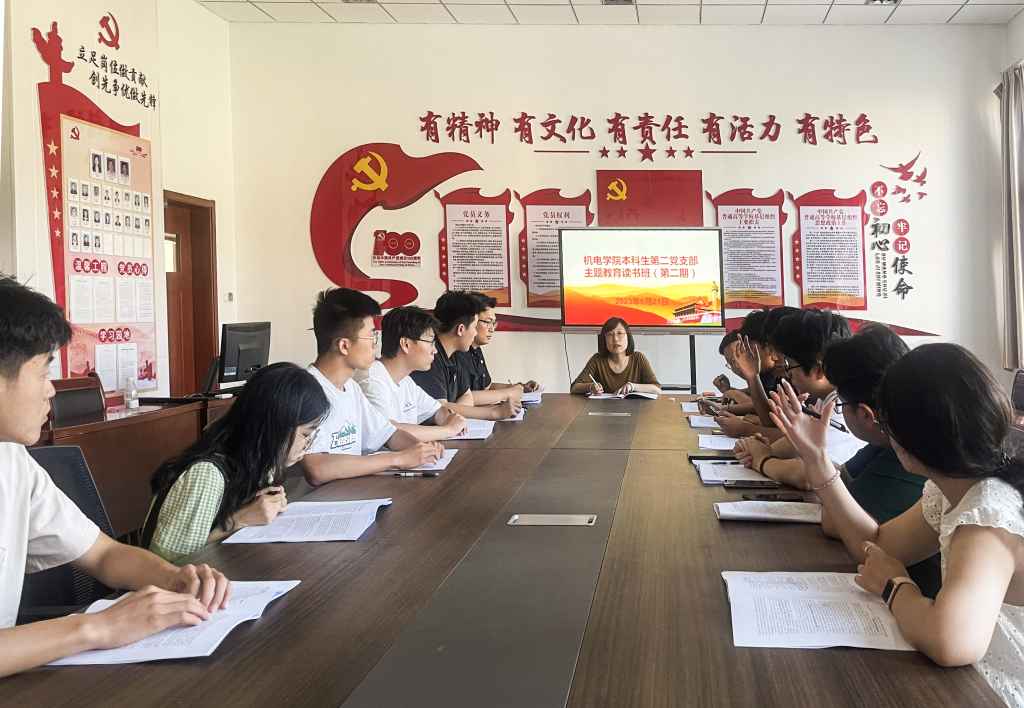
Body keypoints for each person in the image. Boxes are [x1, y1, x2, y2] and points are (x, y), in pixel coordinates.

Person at [0, 275, 230, 677]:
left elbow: (104, 554)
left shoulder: (12, 460)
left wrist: (175, 579)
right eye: (42, 371)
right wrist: (98, 627)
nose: (51, 391)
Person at [769, 344, 1024, 703]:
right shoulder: (953, 487)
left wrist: (894, 586)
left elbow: (951, 642)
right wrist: (817, 460)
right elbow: (878, 543)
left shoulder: (986, 513)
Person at [142, 363, 328, 561]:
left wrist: (263, 508)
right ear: (275, 427)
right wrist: (239, 520)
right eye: (306, 434)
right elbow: (172, 563)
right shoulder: (206, 475)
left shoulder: (259, 463)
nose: (308, 444)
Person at [817, 325, 941, 597]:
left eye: (840, 403)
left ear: (865, 414)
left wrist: (815, 459)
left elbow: (843, 526)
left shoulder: (918, 454)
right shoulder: (895, 440)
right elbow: (844, 480)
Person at [298, 288, 444, 486]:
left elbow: (388, 433)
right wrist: (397, 459)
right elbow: (317, 469)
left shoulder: (351, 388)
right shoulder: (306, 390)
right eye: (372, 337)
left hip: (352, 492)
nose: (376, 345)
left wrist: (421, 449)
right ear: (344, 345)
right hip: (321, 500)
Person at [733, 308, 862, 488]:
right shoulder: (825, 398)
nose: (786, 370)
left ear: (819, 369)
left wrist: (762, 460)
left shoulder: (840, 407)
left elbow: (809, 477)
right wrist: (761, 448)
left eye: (789, 364)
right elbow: (796, 445)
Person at [356, 306, 467, 442]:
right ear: (405, 344)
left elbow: (437, 411)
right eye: (430, 342)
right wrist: (449, 430)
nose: (434, 350)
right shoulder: (371, 379)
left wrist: (450, 418)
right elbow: (390, 432)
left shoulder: (405, 381)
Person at [409, 290, 522, 421]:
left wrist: (456, 410)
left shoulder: (453, 354)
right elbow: (439, 409)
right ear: (461, 329)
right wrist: (496, 412)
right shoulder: (430, 357)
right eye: (474, 327)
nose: (475, 333)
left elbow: (467, 396)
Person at [452, 292, 540, 403]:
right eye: (488, 322)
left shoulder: (476, 350)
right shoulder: (457, 352)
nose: (492, 329)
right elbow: (465, 397)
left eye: (493, 323)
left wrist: (519, 387)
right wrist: (508, 393)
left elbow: (487, 387)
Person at [570, 317, 660, 396]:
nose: (615, 339)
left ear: (628, 337)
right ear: (604, 339)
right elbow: (574, 387)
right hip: (604, 408)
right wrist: (591, 387)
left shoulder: (638, 358)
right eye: (609, 335)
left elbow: (657, 389)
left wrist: (632, 386)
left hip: (635, 408)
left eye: (620, 333)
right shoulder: (597, 360)